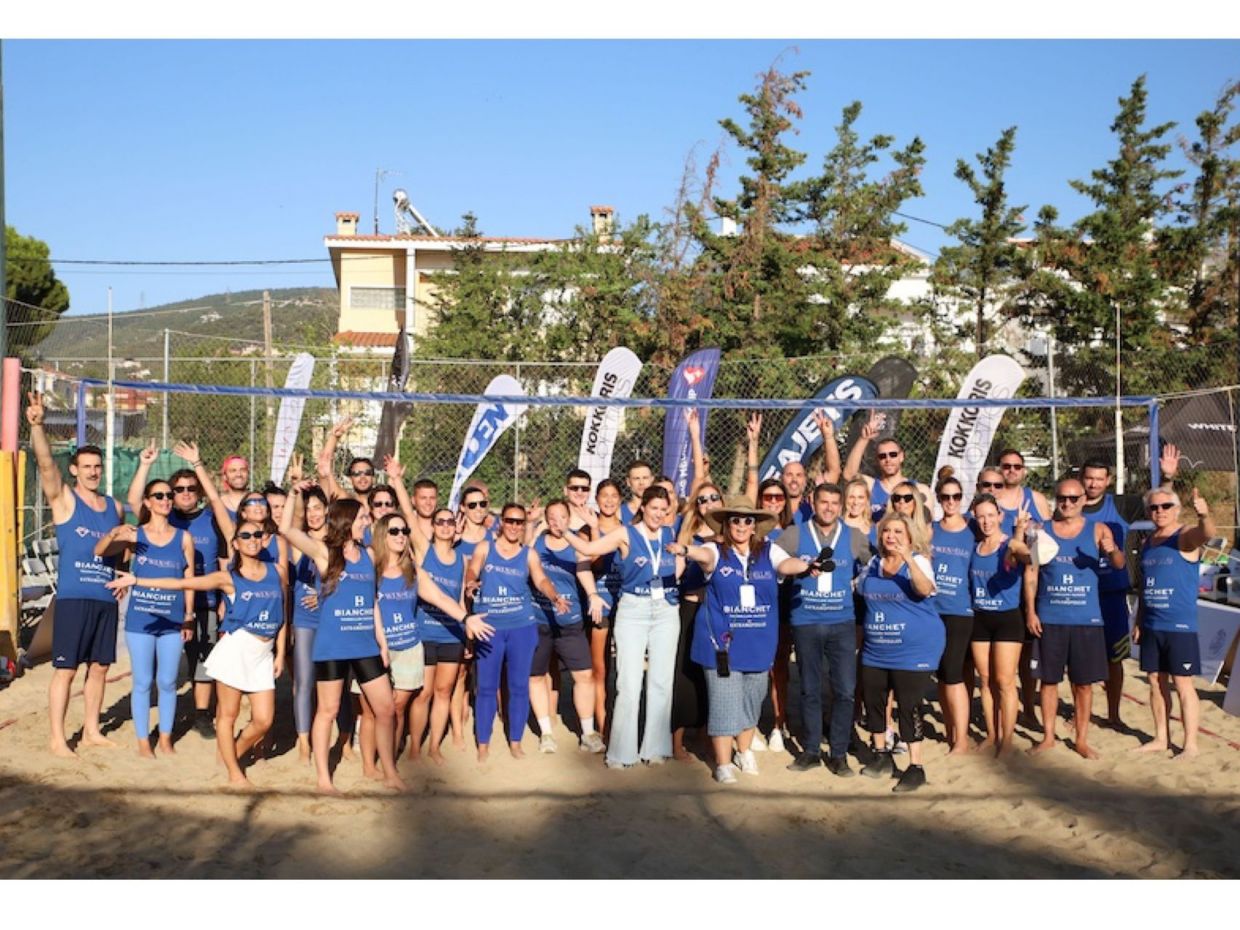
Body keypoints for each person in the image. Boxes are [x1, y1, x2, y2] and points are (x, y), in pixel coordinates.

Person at [108, 519, 287, 789]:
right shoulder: (228, 577)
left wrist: (281, 652)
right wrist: (137, 579)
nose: (252, 539)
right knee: (228, 714)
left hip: (263, 652)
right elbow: (182, 582)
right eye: (245, 535)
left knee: (263, 721)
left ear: (264, 539)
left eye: (257, 534)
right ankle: (234, 774)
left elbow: (284, 614)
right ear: (235, 544)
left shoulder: (278, 571)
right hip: (236, 649)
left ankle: (231, 753)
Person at [670, 496, 819, 784]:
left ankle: (744, 749)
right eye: (734, 520)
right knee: (725, 700)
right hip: (721, 642)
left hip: (758, 641)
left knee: (752, 698)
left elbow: (787, 565)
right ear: (726, 525)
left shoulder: (768, 550)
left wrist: (805, 565)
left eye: (747, 520)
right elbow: (703, 556)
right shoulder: (716, 549)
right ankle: (723, 763)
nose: (741, 525)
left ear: (755, 526)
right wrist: (686, 550)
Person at [279, 492, 405, 793]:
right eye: (363, 517)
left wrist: (383, 642)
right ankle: (324, 778)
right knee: (328, 710)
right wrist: (294, 492)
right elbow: (287, 530)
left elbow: (373, 600)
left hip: (365, 645)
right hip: (332, 646)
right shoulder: (325, 552)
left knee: (385, 708)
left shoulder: (371, 554)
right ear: (348, 521)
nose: (367, 521)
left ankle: (389, 772)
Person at [26, 391, 124, 758]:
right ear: (75, 470)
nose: (93, 472)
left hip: (105, 600)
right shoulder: (66, 500)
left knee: (98, 668)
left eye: (97, 467)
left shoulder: (113, 506)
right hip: (73, 599)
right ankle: (57, 738)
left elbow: (121, 547)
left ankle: (92, 731)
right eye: (86, 467)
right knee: (66, 670)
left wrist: (123, 578)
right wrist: (37, 427)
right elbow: (46, 465)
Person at [564, 486, 680, 768]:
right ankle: (621, 752)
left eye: (663, 510)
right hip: (634, 609)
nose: (658, 514)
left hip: (665, 610)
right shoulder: (626, 533)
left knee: (662, 682)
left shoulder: (669, 534)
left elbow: (676, 566)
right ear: (643, 508)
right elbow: (590, 549)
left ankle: (655, 747)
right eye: (653, 508)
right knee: (629, 682)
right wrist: (563, 531)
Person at [127, 442, 226, 739]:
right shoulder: (163, 515)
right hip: (162, 603)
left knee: (202, 660)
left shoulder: (209, 518)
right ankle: (152, 723)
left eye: (190, 489)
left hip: (203, 601)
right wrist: (144, 465)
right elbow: (134, 501)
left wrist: (198, 465)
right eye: (177, 489)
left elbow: (218, 502)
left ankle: (201, 715)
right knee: (154, 671)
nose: (183, 494)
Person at [1080, 446, 1181, 727]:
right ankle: (1081, 716)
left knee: (1115, 658)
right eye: (1089, 478)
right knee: (1082, 660)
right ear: (1081, 477)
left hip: (1112, 593)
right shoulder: (1070, 504)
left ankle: (1113, 714)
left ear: (1108, 480)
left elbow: (1158, 503)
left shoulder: (1120, 505)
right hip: (1079, 595)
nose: (1093, 483)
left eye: (1099, 479)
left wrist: (1168, 477)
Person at [1026, 477, 1123, 760]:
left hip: (1086, 620)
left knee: (1083, 684)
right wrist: (1031, 611)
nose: (1067, 503)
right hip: (1050, 617)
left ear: (1083, 500)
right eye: (1062, 498)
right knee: (1048, 681)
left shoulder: (1098, 529)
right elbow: (1031, 573)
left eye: (1073, 498)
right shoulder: (1039, 531)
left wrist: (1111, 549)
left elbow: (1118, 564)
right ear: (1056, 499)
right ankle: (1048, 737)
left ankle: (1081, 740)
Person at [96, 478, 195, 757]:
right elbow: (100, 550)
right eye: (159, 495)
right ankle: (143, 741)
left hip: (172, 621)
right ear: (148, 502)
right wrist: (114, 532)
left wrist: (188, 615)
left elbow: (189, 579)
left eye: (169, 495)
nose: (166, 499)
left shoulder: (183, 538)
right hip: (141, 620)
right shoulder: (135, 534)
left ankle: (165, 738)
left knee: (167, 681)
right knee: (142, 681)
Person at [466, 503, 569, 761]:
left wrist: (554, 596)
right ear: (501, 522)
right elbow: (472, 568)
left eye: (519, 522)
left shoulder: (529, 554)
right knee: (487, 687)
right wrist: (470, 581)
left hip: (521, 626)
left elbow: (541, 579)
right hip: (489, 627)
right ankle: (483, 743)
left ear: (524, 525)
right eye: (510, 521)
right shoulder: (485, 547)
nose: (514, 526)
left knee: (519, 687)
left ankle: (515, 741)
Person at [780, 482, 871, 775]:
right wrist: (796, 565)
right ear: (813, 502)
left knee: (845, 690)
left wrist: (862, 582)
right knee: (809, 688)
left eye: (834, 503)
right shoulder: (795, 533)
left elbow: (873, 566)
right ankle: (809, 750)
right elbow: (774, 561)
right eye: (823, 502)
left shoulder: (855, 536)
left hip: (841, 622)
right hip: (806, 621)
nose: (829, 508)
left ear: (841, 505)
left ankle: (839, 752)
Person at [857, 513, 945, 792]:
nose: (891, 536)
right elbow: (859, 588)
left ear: (909, 536)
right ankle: (881, 754)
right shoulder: (873, 564)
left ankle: (915, 766)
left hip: (913, 649)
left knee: (908, 705)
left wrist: (907, 558)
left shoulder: (918, 562)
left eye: (898, 531)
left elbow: (924, 589)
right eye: (886, 531)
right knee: (874, 700)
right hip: (877, 648)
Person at [1133, 485, 1213, 759]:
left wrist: (1204, 516)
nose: (1160, 511)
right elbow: (1144, 587)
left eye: (1166, 506)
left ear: (1177, 510)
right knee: (1155, 681)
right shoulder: (1147, 543)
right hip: (1153, 625)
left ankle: (1190, 744)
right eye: (1154, 507)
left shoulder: (1183, 537)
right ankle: (1161, 738)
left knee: (1183, 684)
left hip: (1179, 626)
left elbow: (1206, 534)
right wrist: (1140, 620)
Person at [529, 500, 606, 753]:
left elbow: (584, 570)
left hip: (570, 622)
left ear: (569, 518)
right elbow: (526, 563)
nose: (557, 522)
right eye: (551, 517)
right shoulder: (538, 542)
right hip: (540, 620)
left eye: (562, 517)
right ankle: (547, 733)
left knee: (583, 676)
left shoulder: (576, 543)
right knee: (537, 676)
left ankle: (588, 732)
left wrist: (593, 594)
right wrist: (532, 525)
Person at [969, 493, 1033, 755]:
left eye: (990, 515)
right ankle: (992, 734)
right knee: (985, 681)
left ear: (1000, 517)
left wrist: (1019, 532)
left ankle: (1007, 740)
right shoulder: (974, 546)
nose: (986, 521)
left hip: (1007, 618)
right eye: (981, 516)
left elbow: (1021, 557)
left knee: (1005, 681)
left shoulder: (1010, 544)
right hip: (981, 618)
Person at [410, 508, 472, 761]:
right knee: (423, 693)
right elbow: (409, 517)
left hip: (451, 634)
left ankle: (434, 746)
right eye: (440, 522)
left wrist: (468, 635)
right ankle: (415, 746)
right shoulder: (425, 551)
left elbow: (459, 600)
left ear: (456, 527)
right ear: (433, 526)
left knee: (444, 691)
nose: (446, 526)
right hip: (425, 632)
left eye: (450, 522)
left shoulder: (462, 559)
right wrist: (395, 481)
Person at [370, 512, 427, 770]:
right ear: (382, 534)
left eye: (404, 531)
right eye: (394, 531)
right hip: (375, 649)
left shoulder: (413, 570)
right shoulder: (370, 571)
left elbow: (439, 596)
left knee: (397, 706)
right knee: (374, 710)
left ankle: (389, 761)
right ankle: (370, 763)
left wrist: (465, 616)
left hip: (408, 647)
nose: (401, 536)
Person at [670, 480, 721, 761]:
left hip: (718, 613)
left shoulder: (730, 534)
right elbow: (677, 573)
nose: (709, 502)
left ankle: (705, 734)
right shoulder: (688, 535)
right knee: (684, 675)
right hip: (690, 611)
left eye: (714, 497)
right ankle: (676, 741)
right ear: (696, 506)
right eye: (702, 499)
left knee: (712, 675)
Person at [929, 472, 975, 756]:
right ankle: (950, 730)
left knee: (955, 674)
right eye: (945, 497)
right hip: (932, 610)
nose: (950, 502)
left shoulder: (972, 532)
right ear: (938, 499)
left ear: (962, 499)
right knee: (944, 675)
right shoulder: (931, 529)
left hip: (960, 611)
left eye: (956, 497)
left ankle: (962, 739)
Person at [289, 483, 328, 763]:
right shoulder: (300, 541)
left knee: (333, 681)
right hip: (305, 619)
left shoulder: (337, 541)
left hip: (332, 619)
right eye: (309, 509)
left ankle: (342, 738)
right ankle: (304, 743)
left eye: (318, 507)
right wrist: (294, 493)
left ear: (327, 509)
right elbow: (291, 523)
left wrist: (323, 595)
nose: (313, 514)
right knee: (304, 682)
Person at [754, 476, 794, 753]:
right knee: (754, 665)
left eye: (779, 497)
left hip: (785, 605)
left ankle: (779, 725)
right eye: (768, 497)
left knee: (779, 667)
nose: (773, 502)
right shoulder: (751, 529)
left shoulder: (795, 531)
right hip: (755, 607)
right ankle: (751, 725)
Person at [586, 478, 625, 735]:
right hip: (600, 606)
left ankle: (621, 721)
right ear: (597, 499)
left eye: (614, 495)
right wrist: (593, 531)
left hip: (626, 604)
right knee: (599, 668)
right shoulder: (588, 528)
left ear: (620, 499)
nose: (609, 500)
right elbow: (594, 563)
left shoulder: (629, 529)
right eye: (604, 496)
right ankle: (603, 726)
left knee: (622, 668)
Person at [842, 412, 930, 523]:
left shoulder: (920, 489)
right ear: (877, 460)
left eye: (893, 455)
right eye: (882, 456)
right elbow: (848, 474)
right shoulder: (871, 486)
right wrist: (863, 439)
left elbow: (926, 529)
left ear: (901, 456)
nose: (888, 460)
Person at [620, 460, 655, 524]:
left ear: (652, 479)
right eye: (636, 478)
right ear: (628, 482)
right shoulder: (619, 512)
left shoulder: (661, 510)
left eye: (645, 478)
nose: (641, 483)